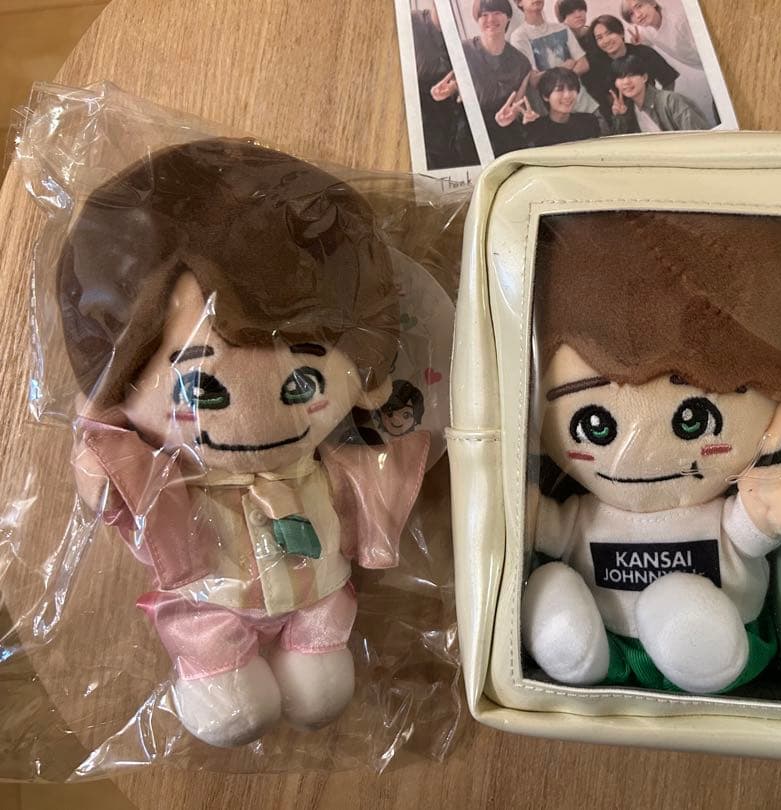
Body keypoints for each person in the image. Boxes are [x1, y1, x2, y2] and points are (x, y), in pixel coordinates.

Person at [61, 139, 430, 747]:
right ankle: (217, 669)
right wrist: (101, 458)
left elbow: (369, 482)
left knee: (321, 672)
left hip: (320, 599)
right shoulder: (175, 479)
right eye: (203, 389)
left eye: (304, 383)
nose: (257, 413)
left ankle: (315, 648)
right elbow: (121, 489)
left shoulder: (325, 466)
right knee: (224, 680)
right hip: (213, 608)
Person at [523, 212, 781, 694]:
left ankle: (699, 648)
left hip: (727, 626)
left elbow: (749, 535)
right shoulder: (584, 516)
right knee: (553, 587)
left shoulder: (717, 512)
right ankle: (570, 643)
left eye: (693, 418)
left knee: (682, 608)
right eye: (595, 426)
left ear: (775, 422)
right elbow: (546, 526)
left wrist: (763, 512)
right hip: (611, 644)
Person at [620, 0, 719, 127]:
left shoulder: (679, 20)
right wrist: (637, 42)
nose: (638, 15)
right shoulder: (646, 29)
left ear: (652, 3)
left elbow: (711, 50)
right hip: (710, 69)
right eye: (631, 14)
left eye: (639, 6)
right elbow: (644, 39)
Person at [461, 0, 533, 156]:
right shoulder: (461, 51)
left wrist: (514, 116)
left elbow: (516, 107)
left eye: (497, 13)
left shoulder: (522, 63)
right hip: (465, 132)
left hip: (505, 135)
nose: (491, 19)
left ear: (508, 17)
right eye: (484, 15)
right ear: (477, 19)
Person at [412, 8, 479, 169]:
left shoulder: (470, 38)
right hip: (426, 121)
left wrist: (457, 86)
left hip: (457, 122)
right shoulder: (413, 22)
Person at [510, 0, 597, 115]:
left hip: (586, 106)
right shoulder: (519, 36)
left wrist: (556, 81)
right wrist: (564, 67)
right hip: (555, 115)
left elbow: (584, 64)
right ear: (519, 3)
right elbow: (534, 80)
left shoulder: (561, 28)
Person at [588, 13, 678, 122]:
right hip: (622, 116)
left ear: (621, 32)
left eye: (609, 33)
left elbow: (668, 78)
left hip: (651, 110)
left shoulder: (644, 52)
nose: (606, 40)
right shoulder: (597, 66)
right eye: (599, 38)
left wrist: (662, 106)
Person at [608, 53, 707, 133]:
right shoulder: (628, 110)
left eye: (631, 75)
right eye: (620, 77)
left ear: (644, 78)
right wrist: (621, 117)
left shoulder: (671, 101)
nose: (626, 82)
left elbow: (699, 137)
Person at [523, 67, 608, 147]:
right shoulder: (537, 129)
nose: (567, 95)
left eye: (571, 89)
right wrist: (529, 127)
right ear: (545, 96)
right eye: (559, 90)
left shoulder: (589, 122)